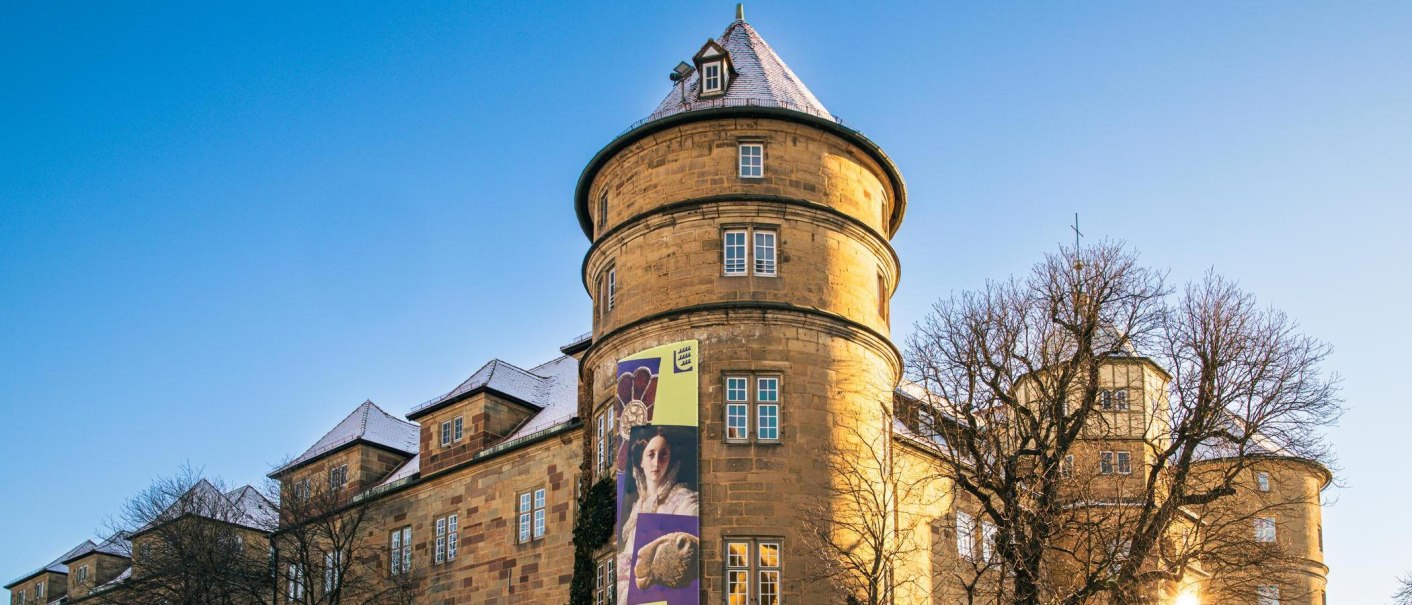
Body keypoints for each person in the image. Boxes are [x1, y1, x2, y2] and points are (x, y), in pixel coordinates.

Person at [619, 426, 698, 602]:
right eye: (651, 454)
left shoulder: (684, 500)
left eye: (663, 455)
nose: (656, 463)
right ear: (641, 460)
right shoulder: (639, 507)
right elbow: (627, 557)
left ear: (670, 459)